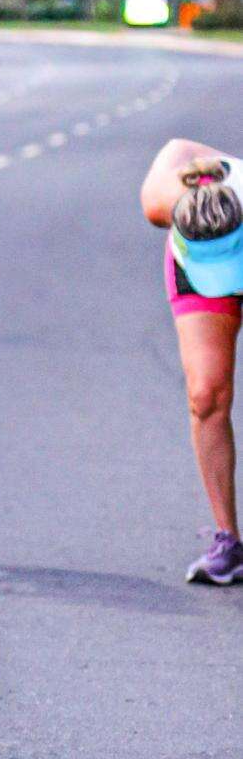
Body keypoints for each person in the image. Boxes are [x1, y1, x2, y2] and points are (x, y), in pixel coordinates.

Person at [141, 140, 243, 583]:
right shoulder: (161, 198)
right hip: (192, 267)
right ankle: (229, 539)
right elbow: (180, 147)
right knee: (205, 396)